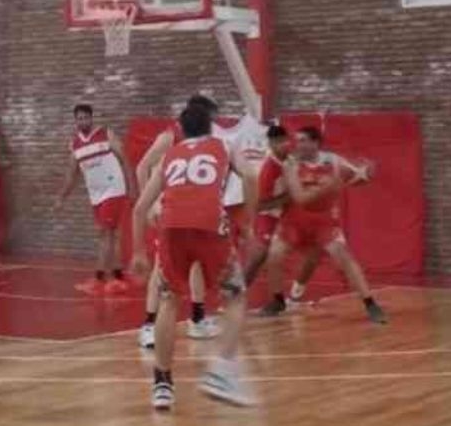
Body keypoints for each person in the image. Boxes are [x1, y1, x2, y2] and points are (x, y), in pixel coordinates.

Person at [133, 104, 259, 409]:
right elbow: (251, 175)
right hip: (209, 226)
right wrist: (247, 222)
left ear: (181, 128)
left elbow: (139, 209)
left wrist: (138, 251)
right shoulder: (224, 146)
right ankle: (222, 372)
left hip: (172, 228)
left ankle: (162, 384)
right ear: (211, 126)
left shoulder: (170, 156)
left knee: (168, 300)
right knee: (236, 295)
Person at [259, 126, 386, 323]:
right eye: (297, 141)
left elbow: (357, 175)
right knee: (274, 255)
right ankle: (277, 300)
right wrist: (326, 187)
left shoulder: (334, 161)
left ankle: (370, 304)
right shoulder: (291, 165)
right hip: (293, 220)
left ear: (315, 143)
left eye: (303, 140)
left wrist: (365, 173)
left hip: (324, 222)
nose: (298, 145)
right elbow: (300, 198)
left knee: (343, 257)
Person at [133, 95, 225, 347]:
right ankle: (149, 325)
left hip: (190, 211)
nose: (213, 124)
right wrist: (151, 203)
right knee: (161, 268)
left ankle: (197, 318)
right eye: (211, 118)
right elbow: (142, 167)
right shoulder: (169, 137)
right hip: (167, 209)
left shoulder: (204, 143)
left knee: (196, 263)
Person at [54, 104, 136, 295]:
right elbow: (71, 174)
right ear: (75, 121)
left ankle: (99, 279)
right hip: (96, 195)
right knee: (111, 233)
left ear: (91, 118)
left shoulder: (106, 134)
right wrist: (61, 197)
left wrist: (132, 187)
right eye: (79, 118)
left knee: (104, 233)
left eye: (85, 118)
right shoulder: (75, 144)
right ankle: (118, 276)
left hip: (113, 189)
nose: (82, 121)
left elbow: (125, 159)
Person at [243, 125, 320, 292]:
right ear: (271, 144)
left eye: (285, 141)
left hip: (289, 212)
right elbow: (259, 205)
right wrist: (289, 196)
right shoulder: (268, 170)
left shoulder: (291, 159)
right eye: (278, 142)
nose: (283, 145)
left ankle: (297, 291)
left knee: (315, 248)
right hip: (269, 214)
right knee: (259, 256)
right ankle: (235, 295)